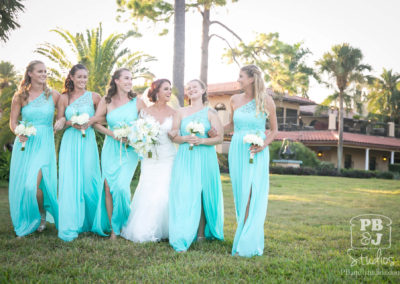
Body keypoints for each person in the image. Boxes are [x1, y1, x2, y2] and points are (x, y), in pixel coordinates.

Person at [225, 64, 278, 257]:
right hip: (237, 148)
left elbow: (274, 130)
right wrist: (213, 130)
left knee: (251, 192)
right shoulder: (234, 99)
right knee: (241, 193)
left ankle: (246, 242)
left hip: (256, 150)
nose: (238, 79)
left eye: (241, 76)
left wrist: (263, 145)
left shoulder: (266, 100)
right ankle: (243, 236)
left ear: (252, 79)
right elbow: (231, 125)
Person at [168, 79, 224, 252]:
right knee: (185, 192)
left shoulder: (211, 112)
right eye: (188, 88)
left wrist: (203, 140)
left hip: (205, 155)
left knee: (202, 193)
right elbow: (174, 136)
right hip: (185, 156)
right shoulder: (179, 112)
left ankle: (200, 234)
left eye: (195, 87)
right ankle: (184, 230)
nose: (191, 90)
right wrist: (184, 138)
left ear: (203, 90)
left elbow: (219, 138)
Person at [91, 68, 146, 240]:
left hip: (130, 150)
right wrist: (113, 134)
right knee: (108, 188)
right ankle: (114, 229)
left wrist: (135, 136)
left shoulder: (137, 101)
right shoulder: (106, 100)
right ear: (116, 80)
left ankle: (124, 221)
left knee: (121, 187)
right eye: (126, 78)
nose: (129, 82)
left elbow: (146, 124)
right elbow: (96, 123)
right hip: (111, 147)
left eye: (131, 79)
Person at [8, 60, 61, 237]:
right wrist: (18, 132)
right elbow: (13, 122)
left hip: (44, 143)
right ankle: (30, 214)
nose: (44, 74)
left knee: (33, 184)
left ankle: (41, 214)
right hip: (25, 144)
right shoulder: (20, 96)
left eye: (45, 71)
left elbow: (62, 115)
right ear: (30, 73)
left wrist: (61, 121)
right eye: (40, 71)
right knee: (25, 185)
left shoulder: (53, 95)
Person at [121, 79, 176, 242]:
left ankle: (167, 229)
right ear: (156, 92)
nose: (169, 92)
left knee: (165, 193)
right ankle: (145, 229)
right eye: (166, 89)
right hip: (150, 158)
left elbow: (177, 133)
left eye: (170, 89)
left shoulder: (174, 113)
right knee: (148, 191)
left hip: (168, 157)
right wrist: (137, 139)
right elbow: (137, 133)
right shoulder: (145, 112)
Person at [57, 64, 103, 241]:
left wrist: (89, 121)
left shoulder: (95, 97)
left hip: (87, 140)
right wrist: (71, 123)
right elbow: (60, 118)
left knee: (89, 178)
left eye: (85, 77)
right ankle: (72, 223)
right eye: (80, 77)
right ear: (72, 77)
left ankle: (92, 221)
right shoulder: (64, 97)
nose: (83, 80)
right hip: (70, 141)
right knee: (70, 180)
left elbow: (103, 117)